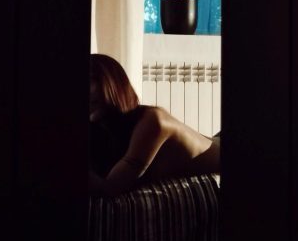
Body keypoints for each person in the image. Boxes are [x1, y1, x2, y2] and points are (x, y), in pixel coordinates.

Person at [89, 53, 220, 197]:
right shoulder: (104, 130)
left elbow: (110, 187)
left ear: (112, 82)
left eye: (90, 81)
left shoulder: (153, 121)